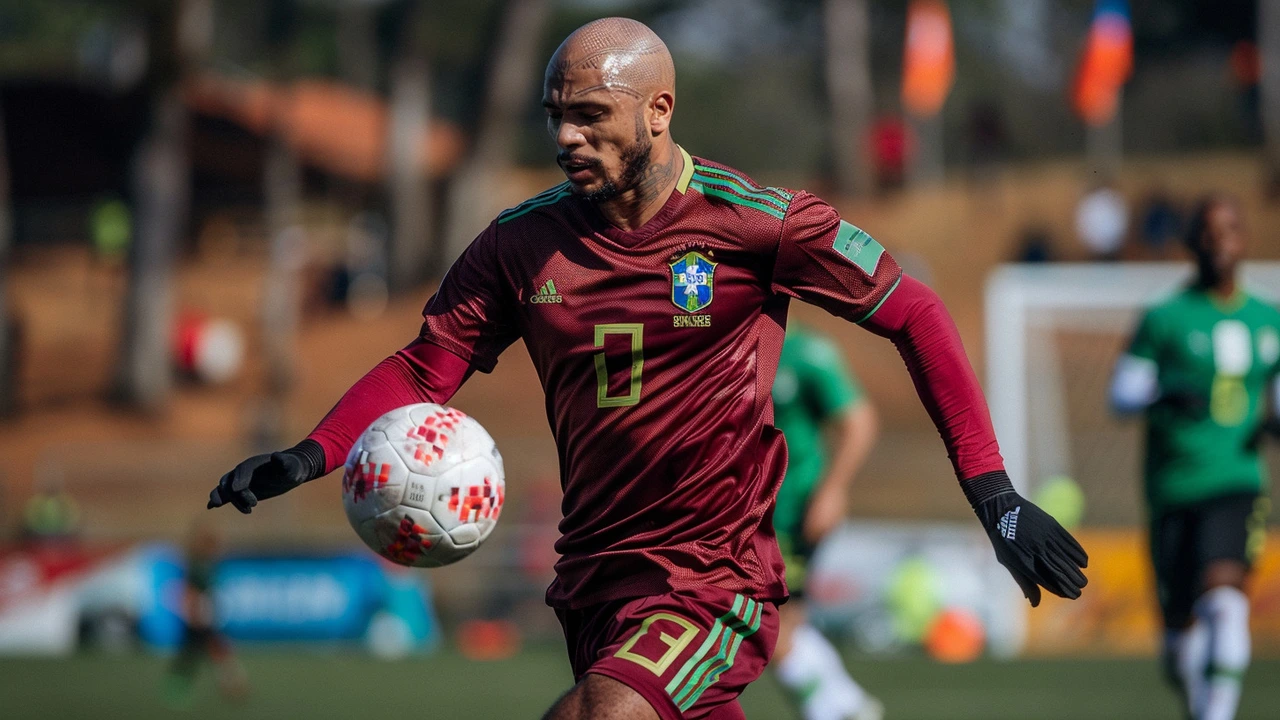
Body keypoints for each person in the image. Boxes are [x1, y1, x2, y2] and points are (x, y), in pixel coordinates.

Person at [209, 18, 1087, 720]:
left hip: (714, 569)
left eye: (589, 114)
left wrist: (995, 498)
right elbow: (427, 364)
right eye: (556, 113)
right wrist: (309, 455)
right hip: (594, 570)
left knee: (609, 713)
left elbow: (917, 314)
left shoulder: (760, 223)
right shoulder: (520, 244)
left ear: (659, 110)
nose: (565, 135)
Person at [1110, 196, 1280, 720]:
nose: (1219, 242)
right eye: (1207, 232)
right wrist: (1161, 396)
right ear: (1192, 245)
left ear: (1244, 238)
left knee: (1225, 600)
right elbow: (1120, 395)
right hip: (1172, 488)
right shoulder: (1165, 318)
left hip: (1236, 480)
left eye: (1229, 229)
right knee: (1177, 646)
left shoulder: (1268, 319)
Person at [770, 326, 882, 720]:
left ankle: (836, 708)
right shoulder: (724, 345)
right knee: (774, 622)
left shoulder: (805, 352)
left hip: (790, 512)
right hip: (744, 517)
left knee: (770, 622)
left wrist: (832, 490)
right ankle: (847, 705)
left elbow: (859, 420)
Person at [164, 521, 248, 705]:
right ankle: (231, 683)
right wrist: (194, 614)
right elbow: (190, 591)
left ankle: (230, 683)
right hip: (198, 617)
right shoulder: (197, 566)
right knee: (200, 652)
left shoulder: (207, 564)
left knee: (201, 652)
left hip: (204, 615)